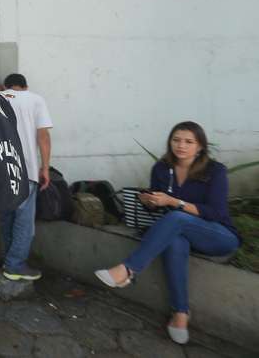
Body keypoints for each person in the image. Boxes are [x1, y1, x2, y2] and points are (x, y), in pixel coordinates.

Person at [94, 121, 240, 345]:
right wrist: (150, 201)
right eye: (176, 140)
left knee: (178, 218)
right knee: (175, 241)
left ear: (200, 146)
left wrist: (173, 201)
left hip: (218, 235)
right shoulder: (161, 168)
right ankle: (180, 313)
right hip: (180, 231)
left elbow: (216, 213)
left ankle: (129, 269)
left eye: (189, 141)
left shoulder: (215, 171)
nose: (181, 146)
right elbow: (160, 207)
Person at [0, 73, 53, 281]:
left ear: (7, 86)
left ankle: (8, 261)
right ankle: (14, 265)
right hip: (26, 169)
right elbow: (43, 136)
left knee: (7, 217)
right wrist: (45, 168)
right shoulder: (35, 99)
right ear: (26, 86)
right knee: (24, 221)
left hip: (3, 169)